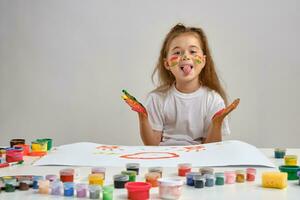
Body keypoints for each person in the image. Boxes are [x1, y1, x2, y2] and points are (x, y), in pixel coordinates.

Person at [124, 23, 239, 146]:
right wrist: (143, 117)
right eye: (177, 52)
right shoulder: (157, 99)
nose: (185, 56)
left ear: (204, 60)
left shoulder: (213, 100)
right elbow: (152, 145)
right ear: (167, 63)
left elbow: (210, 149)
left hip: (197, 161)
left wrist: (217, 123)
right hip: (166, 160)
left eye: (193, 51)